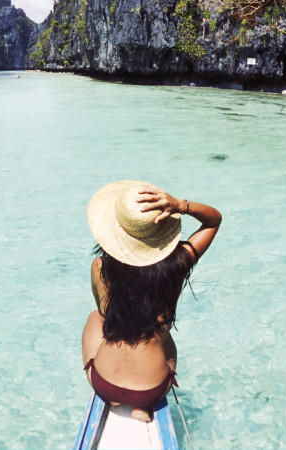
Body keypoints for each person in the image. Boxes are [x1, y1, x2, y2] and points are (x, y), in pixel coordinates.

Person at [81, 180, 222, 422]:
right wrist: (182, 205)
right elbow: (213, 221)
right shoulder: (178, 264)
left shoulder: (101, 266)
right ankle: (142, 408)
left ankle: (115, 398)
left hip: (105, 383)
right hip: (152, 390)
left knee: (95, 318)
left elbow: (104, 312)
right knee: (163, 334)